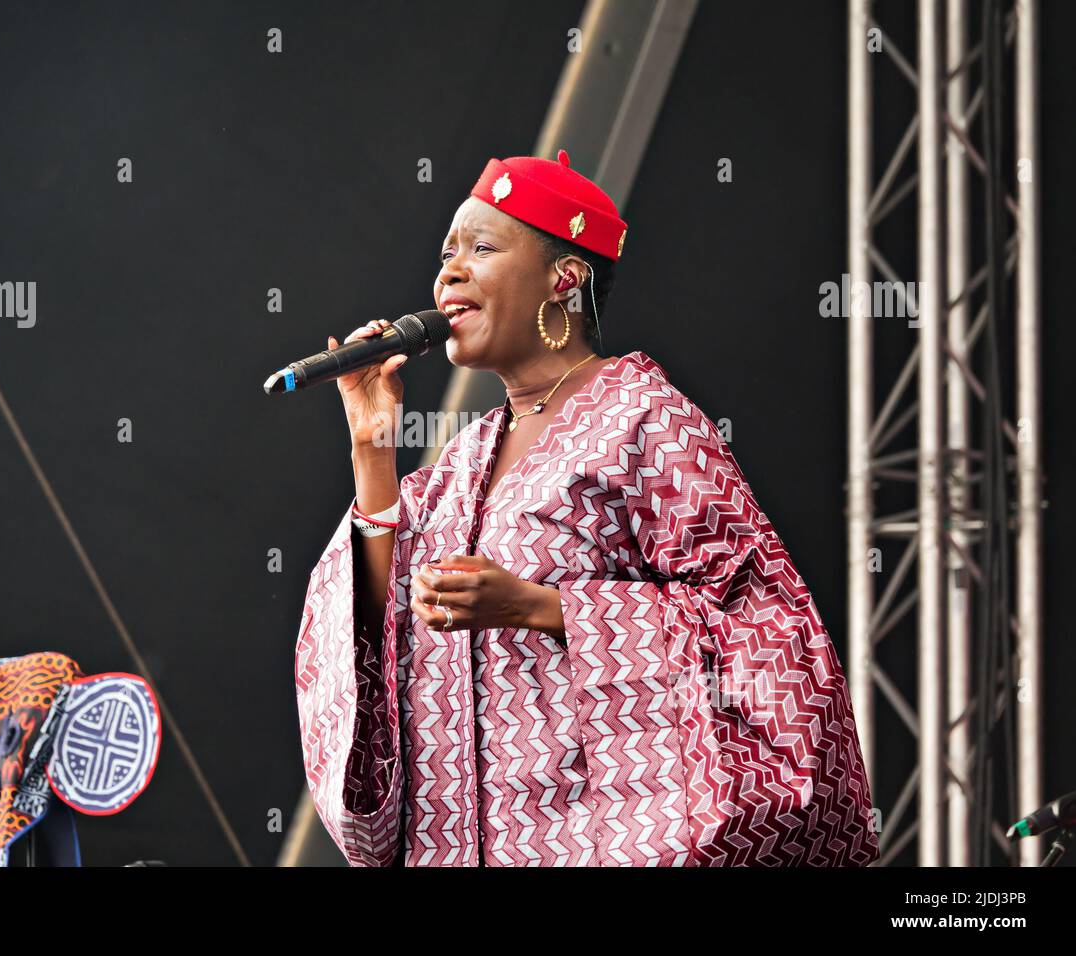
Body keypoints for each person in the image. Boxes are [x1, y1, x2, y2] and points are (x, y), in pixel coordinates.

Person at [294, 149, 880, 867]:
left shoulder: (645, 419)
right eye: (447, 252)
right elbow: (372, 643)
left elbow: (768, 634)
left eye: (481, 248)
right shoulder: (457, 464)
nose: (448, 271)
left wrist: (543, 607)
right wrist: (372, 452)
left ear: (563, 280)